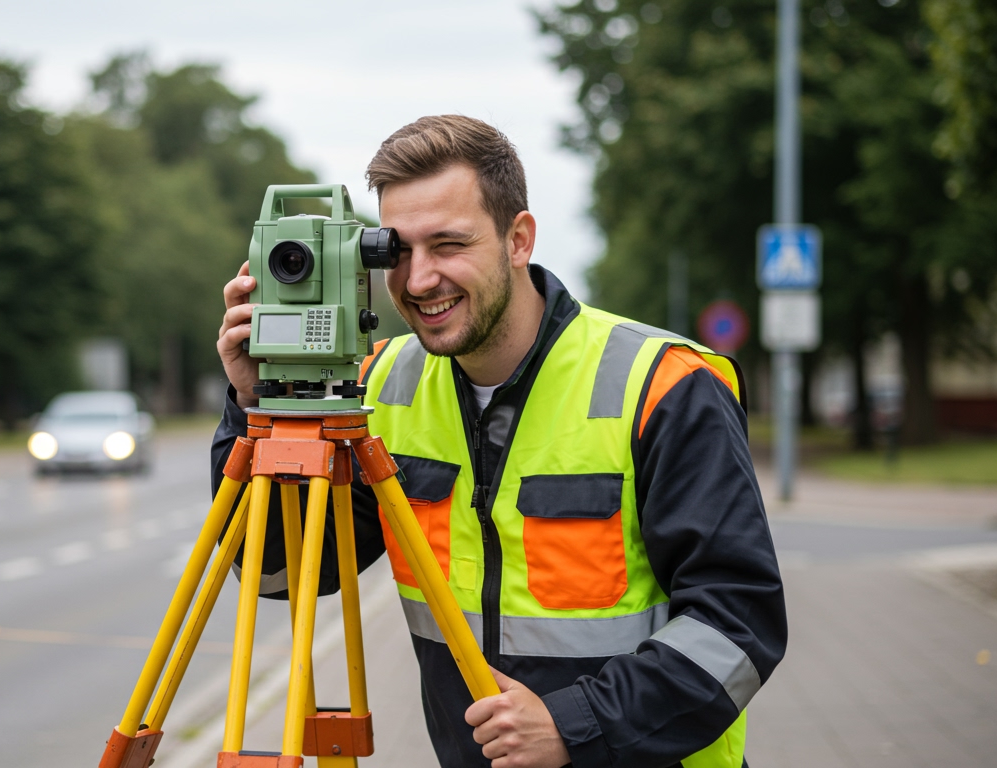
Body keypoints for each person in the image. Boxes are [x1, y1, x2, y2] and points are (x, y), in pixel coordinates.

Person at [210, 115, 786, 768]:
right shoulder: (380, 387)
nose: (420, 279)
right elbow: (285, 574)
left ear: (519, 239)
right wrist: (258, 408)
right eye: (396, 251)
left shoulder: (663, 384)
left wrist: (575, 724)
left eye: (449, 245)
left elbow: (739, 628)